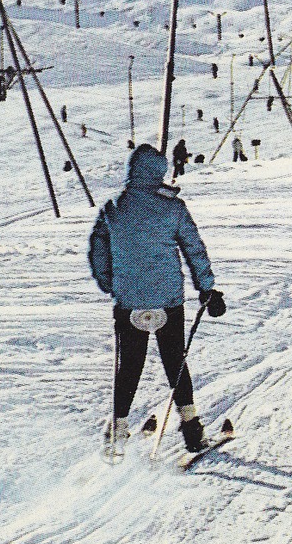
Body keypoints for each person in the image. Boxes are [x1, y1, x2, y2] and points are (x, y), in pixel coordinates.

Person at [88, 145, 225, 456]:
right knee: (175, 362)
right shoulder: (173, 208)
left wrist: (112, 285)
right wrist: (207, 289)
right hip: (168, 302)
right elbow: (194, 248)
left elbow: (98, 249)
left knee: (129, 367)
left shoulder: (114, 207)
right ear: (159, 172)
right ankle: (191, 430)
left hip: (129, 303)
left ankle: (117, 433)